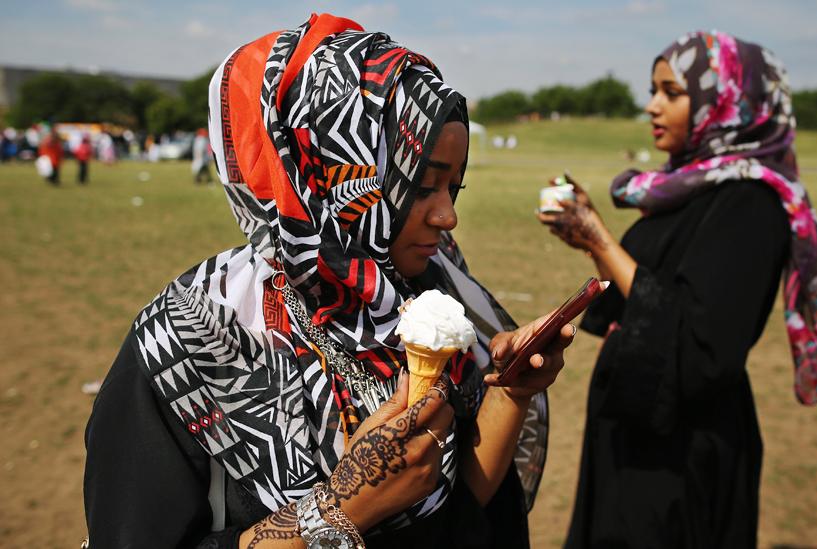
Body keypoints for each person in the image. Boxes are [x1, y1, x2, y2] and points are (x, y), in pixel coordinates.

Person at [84, 13, 573, 548]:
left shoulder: (431, 293)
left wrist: (510, 394)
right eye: (421, 185)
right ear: (333, 174)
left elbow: (465, 511)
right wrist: (340, 507)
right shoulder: (191, 337)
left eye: (453, 188)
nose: (447, 216)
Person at [538, 31, 817, 548]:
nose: (652, 106)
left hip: (681, 450)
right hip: (636, 424)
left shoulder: (749, 202)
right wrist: (591, 243)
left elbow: (703, 342)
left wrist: (600, 239)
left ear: (728, 103)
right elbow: (644, 288)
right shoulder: (688, 186)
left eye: (671, 93)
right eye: (653, 90)